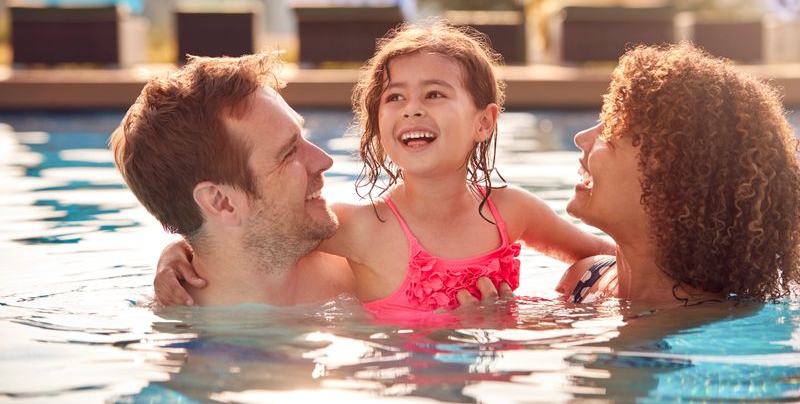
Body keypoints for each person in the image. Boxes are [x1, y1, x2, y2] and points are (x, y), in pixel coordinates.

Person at [155, 22, 614, 313]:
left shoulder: (512, 212)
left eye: (434, 94)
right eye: (395, 98)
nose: (412, 109)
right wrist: (176, 253)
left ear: (484, 122)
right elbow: (248, 237)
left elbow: (605, 256)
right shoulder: (360, 226)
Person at [557, 43, 800, 304]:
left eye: (610, 135)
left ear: (669, 183)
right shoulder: (583, 278)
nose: (581, 138)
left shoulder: (712, 331)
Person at [111, 53, 356, 306]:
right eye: (288, 152)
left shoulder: (369, 261)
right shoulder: (175, 332)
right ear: (221, 202)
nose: (325, 160)